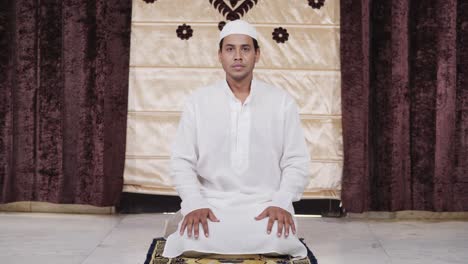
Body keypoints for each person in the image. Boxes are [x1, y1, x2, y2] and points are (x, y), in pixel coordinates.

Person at [162, 20, 310, 258]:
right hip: (212, 203)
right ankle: (183, 220)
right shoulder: (198, 102)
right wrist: (194, 203)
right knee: (195, 236)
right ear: (220, 55)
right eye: (230, 49)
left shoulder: (281, 102)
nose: (238, 56)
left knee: (276, 238)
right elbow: (182, 161)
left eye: (245, 49)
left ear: (257, 54)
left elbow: (296, 161)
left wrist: (281, 203)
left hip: (264, 204)